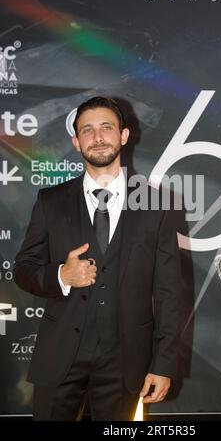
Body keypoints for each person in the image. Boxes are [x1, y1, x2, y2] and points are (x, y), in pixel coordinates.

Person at [14, 96, 181, 421]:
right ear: (76, 142)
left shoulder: (155, 203)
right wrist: (61, 275)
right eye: (87, 130)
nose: (98, 136)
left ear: (123, 135)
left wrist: (163, 364)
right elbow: (23, 269)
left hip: (125, 362)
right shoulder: (51, 202)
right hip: (59, 357)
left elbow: (169, 293)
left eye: (107, 127)